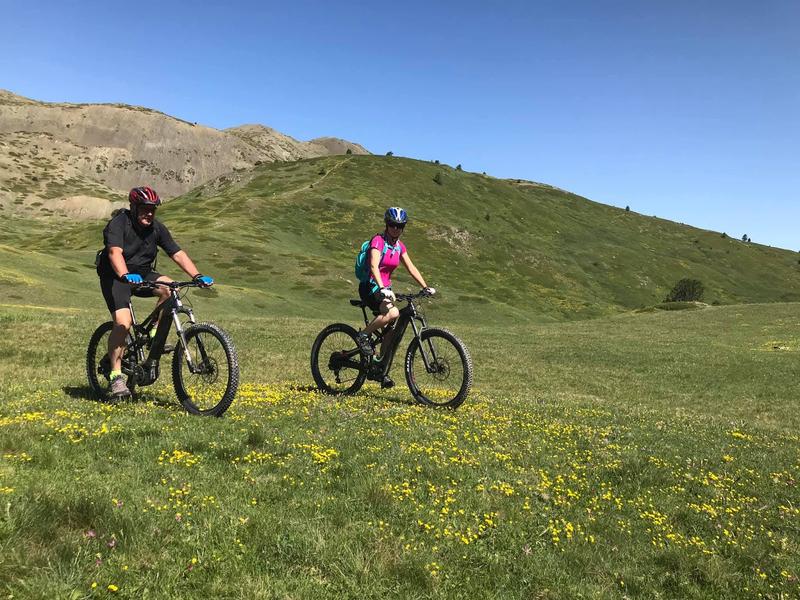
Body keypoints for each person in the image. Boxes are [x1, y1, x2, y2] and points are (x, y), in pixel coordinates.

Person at [96, 186, 214, 399]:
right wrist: (125, 274)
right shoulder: (119, 223)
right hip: (115, 276)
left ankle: (153, 332)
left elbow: (176, 253)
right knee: (123, 323)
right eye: (144, 209)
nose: (149, 213)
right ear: (133, 207)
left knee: (171, 288)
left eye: (152, 209)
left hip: (142, 274)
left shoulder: (156, 228)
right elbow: (114, 252)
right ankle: (116, 377)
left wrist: (197, 275)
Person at [355, 207, 435, 388]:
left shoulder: (399, 246)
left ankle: (379, 369)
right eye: (392, 225)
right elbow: (374, 266)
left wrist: (425, 287)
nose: (396, 229)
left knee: (391, 332)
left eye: (400, 226)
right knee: (393, 313)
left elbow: (411, 268)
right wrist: (382, 288)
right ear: (387, 224)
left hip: (385, 289)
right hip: (370, 286)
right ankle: (363, 336)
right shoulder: (378, 241)